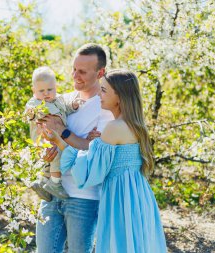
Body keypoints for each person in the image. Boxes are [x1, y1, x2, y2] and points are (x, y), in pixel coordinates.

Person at [41, 69, 167, 253]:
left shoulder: (114, 127)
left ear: (120, 96)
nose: (99, 94)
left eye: (104, 90)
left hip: (121, 197)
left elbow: (89, 171)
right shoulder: (134, 124)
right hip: (137, 195)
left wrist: (59, 141)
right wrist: (92, 143)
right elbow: (99, 154)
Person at [35, 44, 114, 253]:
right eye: (74, 69)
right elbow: (48, 137)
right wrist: (45, 149)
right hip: (52, 192)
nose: (75, 75)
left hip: (83, 197)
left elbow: (96, 150)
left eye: (82, 72)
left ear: (101, 73)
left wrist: (64, 132)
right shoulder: (64, 100)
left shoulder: (106, 107)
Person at [25, 66, 83, 201]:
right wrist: (33, 113)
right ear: (34, 91)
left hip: (54, 137)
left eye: (49, 89)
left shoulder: (59, 99)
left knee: (53, 158)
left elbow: (65, 109)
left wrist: (73, 106)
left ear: (55, 87)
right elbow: (30, 114)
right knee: (56, 156)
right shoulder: (35, 103)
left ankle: (42, 182)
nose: (46, 93)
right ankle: (55, 184)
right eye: (41, 91)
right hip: (44, 137)